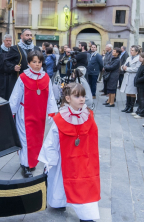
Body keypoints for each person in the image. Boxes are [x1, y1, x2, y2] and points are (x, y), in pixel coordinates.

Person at [38, 83, 100, 222]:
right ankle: (59, 202)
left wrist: (92, 155)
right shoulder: (60, 118)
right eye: (77, 96)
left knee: (84, 185)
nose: (82, 99)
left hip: (83, 158)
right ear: (67, 98)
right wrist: (50, 161)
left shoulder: (88, 115)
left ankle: (86, 215)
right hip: (65, 158)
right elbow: (51, 141)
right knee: (60, 179)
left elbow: (93, 136)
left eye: (83, 95)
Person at [9, 50, 57, 178]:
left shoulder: (46, 77)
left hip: (40, 113)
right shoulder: (23, 78)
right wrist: (11, 113)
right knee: (25, 140)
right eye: (34, 62)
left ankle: (32, 161)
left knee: (37, 140)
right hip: (24, 114)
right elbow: (15, 97)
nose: (37, 64)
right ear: (29, 63)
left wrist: (52, 112)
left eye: (39, 62)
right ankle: (25, 165)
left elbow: (51, 96)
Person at [5, 29, 42, 95]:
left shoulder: (36, 49)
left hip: (34, 79)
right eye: (27, 35)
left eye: (30, 35)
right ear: (21, 36)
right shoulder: (15, 48)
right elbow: (6, 61)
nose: (29, 37)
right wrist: (13, 67)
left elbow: (42, 63)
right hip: (19, 79)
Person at [120, 45, 141, 113]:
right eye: (131, 50)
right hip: (127, 76)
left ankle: (131, 107)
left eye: (132, 50)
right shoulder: (129, 58)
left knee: (132, 92)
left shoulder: (138, 59)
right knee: (127, 92)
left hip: (133, 76)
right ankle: (127, 106)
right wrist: (123, 67)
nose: (131, 51)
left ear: (137, 52)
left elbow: (137, 69)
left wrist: (127, 69)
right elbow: (124, 65)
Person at [0, 34, 12, 100]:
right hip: (1, 75)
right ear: (4, 41)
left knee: (10, 93)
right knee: (1, 94)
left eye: (10, 41)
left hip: (11, 76)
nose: (8, 42)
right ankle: (1, 109)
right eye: (7, 40)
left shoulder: (13, 50)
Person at [132, 52, 144, 118]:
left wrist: (138, 80)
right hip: (139, 84)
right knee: (139, 98)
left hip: (142, 84)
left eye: (141, 57)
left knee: (142, 98)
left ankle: (141, 113)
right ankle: (138, 111)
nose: (139, 58)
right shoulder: (142, 64)